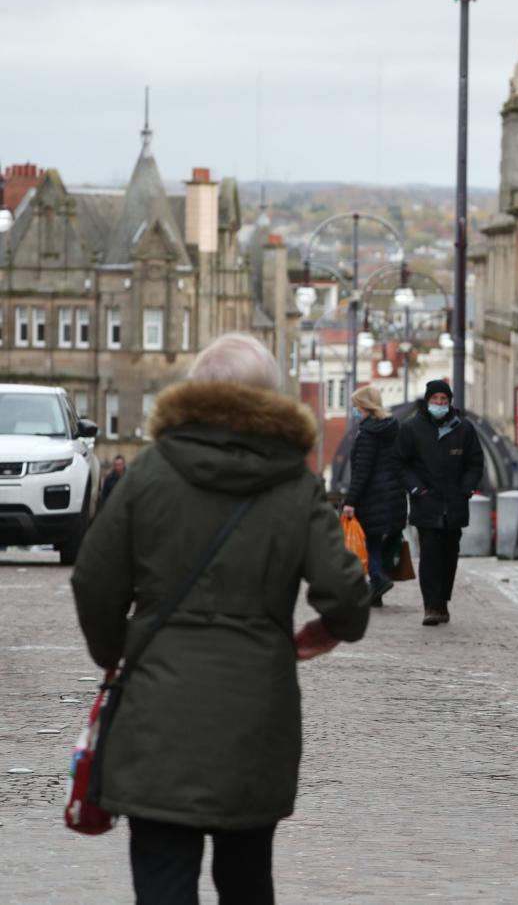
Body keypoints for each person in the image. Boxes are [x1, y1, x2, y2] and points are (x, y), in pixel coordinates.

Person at [70, 333, 370, 905]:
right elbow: (344, 589)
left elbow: (93, 578)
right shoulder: (294, 484)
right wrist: (326, 631)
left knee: (162, 874)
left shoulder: (149, 473)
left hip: (157, 705)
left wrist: (115, 650)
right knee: (247, 874)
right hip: (257, 709)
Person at [396, 379, 484, 626]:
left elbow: (475, 463)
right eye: (435, 399)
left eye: (443, 400)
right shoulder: (412, 429)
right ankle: (431, 606)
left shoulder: (464, 429)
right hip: (426, 503)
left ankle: (442, 599)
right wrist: (416, 488)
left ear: (450, 402)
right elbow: (400, 464)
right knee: (430, 555)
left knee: (449, 555)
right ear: (427, 401)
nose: (439, 403)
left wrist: (467, 488)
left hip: (455, 504)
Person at [342, 386, 407, 607]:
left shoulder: (368, 433)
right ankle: (376, 593)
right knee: (379, 541)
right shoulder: (392, 428)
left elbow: (362, 471)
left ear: (365, 406)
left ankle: (378, 580)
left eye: (356, 405)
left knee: (370, 542)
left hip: (373, 497)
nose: (354, 409)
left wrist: (350, 502)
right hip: (393, 495)